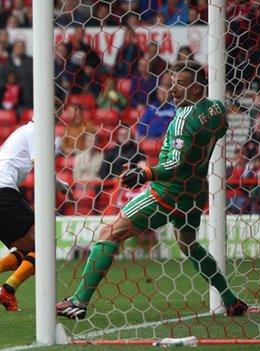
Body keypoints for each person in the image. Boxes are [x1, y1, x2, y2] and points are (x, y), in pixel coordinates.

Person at [57, 60, 248, 319]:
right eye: (172, 83)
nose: (173, 89)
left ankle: (78, 301)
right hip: (194, 194)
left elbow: (175, 165)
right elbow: (221, 128)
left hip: (167, 193)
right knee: (189, 244)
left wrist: (144, 173)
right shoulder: (215, 109)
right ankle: (230, 298)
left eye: (181, 83)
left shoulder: (183, 120)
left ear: (197, 86)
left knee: (109, 233)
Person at [0, 98, 70, 311]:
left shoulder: (23, 132)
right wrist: (61, 185)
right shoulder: (37, 132)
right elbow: (41, 165)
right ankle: (8, 289)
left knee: (29, 250)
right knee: (44, 244)